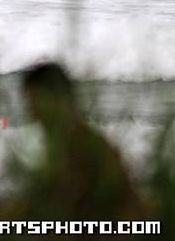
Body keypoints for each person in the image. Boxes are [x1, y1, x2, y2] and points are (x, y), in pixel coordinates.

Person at [20, 63, 142, 221]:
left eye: (34, 102)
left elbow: (61, 207)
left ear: (58, 98)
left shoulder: (81, 145)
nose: (32, 113)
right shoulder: (64, 144)